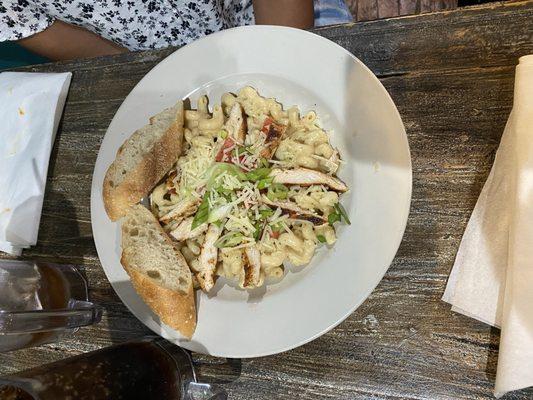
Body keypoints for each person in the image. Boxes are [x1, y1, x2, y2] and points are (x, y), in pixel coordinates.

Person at [0, 0, 352, 61]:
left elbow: (290, 41)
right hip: (144, 64)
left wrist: (287, 56)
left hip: (270, 22)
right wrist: (154, 78)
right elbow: (33, 24)